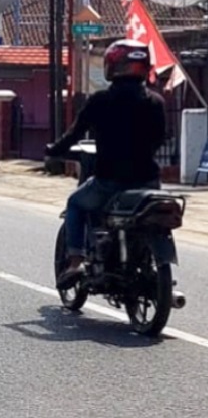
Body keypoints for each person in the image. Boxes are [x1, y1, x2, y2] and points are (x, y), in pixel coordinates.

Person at [48, 39, 166, 290]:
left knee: (75, 204)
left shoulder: (100, 101)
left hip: (109, 182)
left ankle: (76, 261)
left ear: (112, 67)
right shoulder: (156, 103)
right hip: (148, 183)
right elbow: (160, 139)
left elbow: (74, 134)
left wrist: (54, 150)